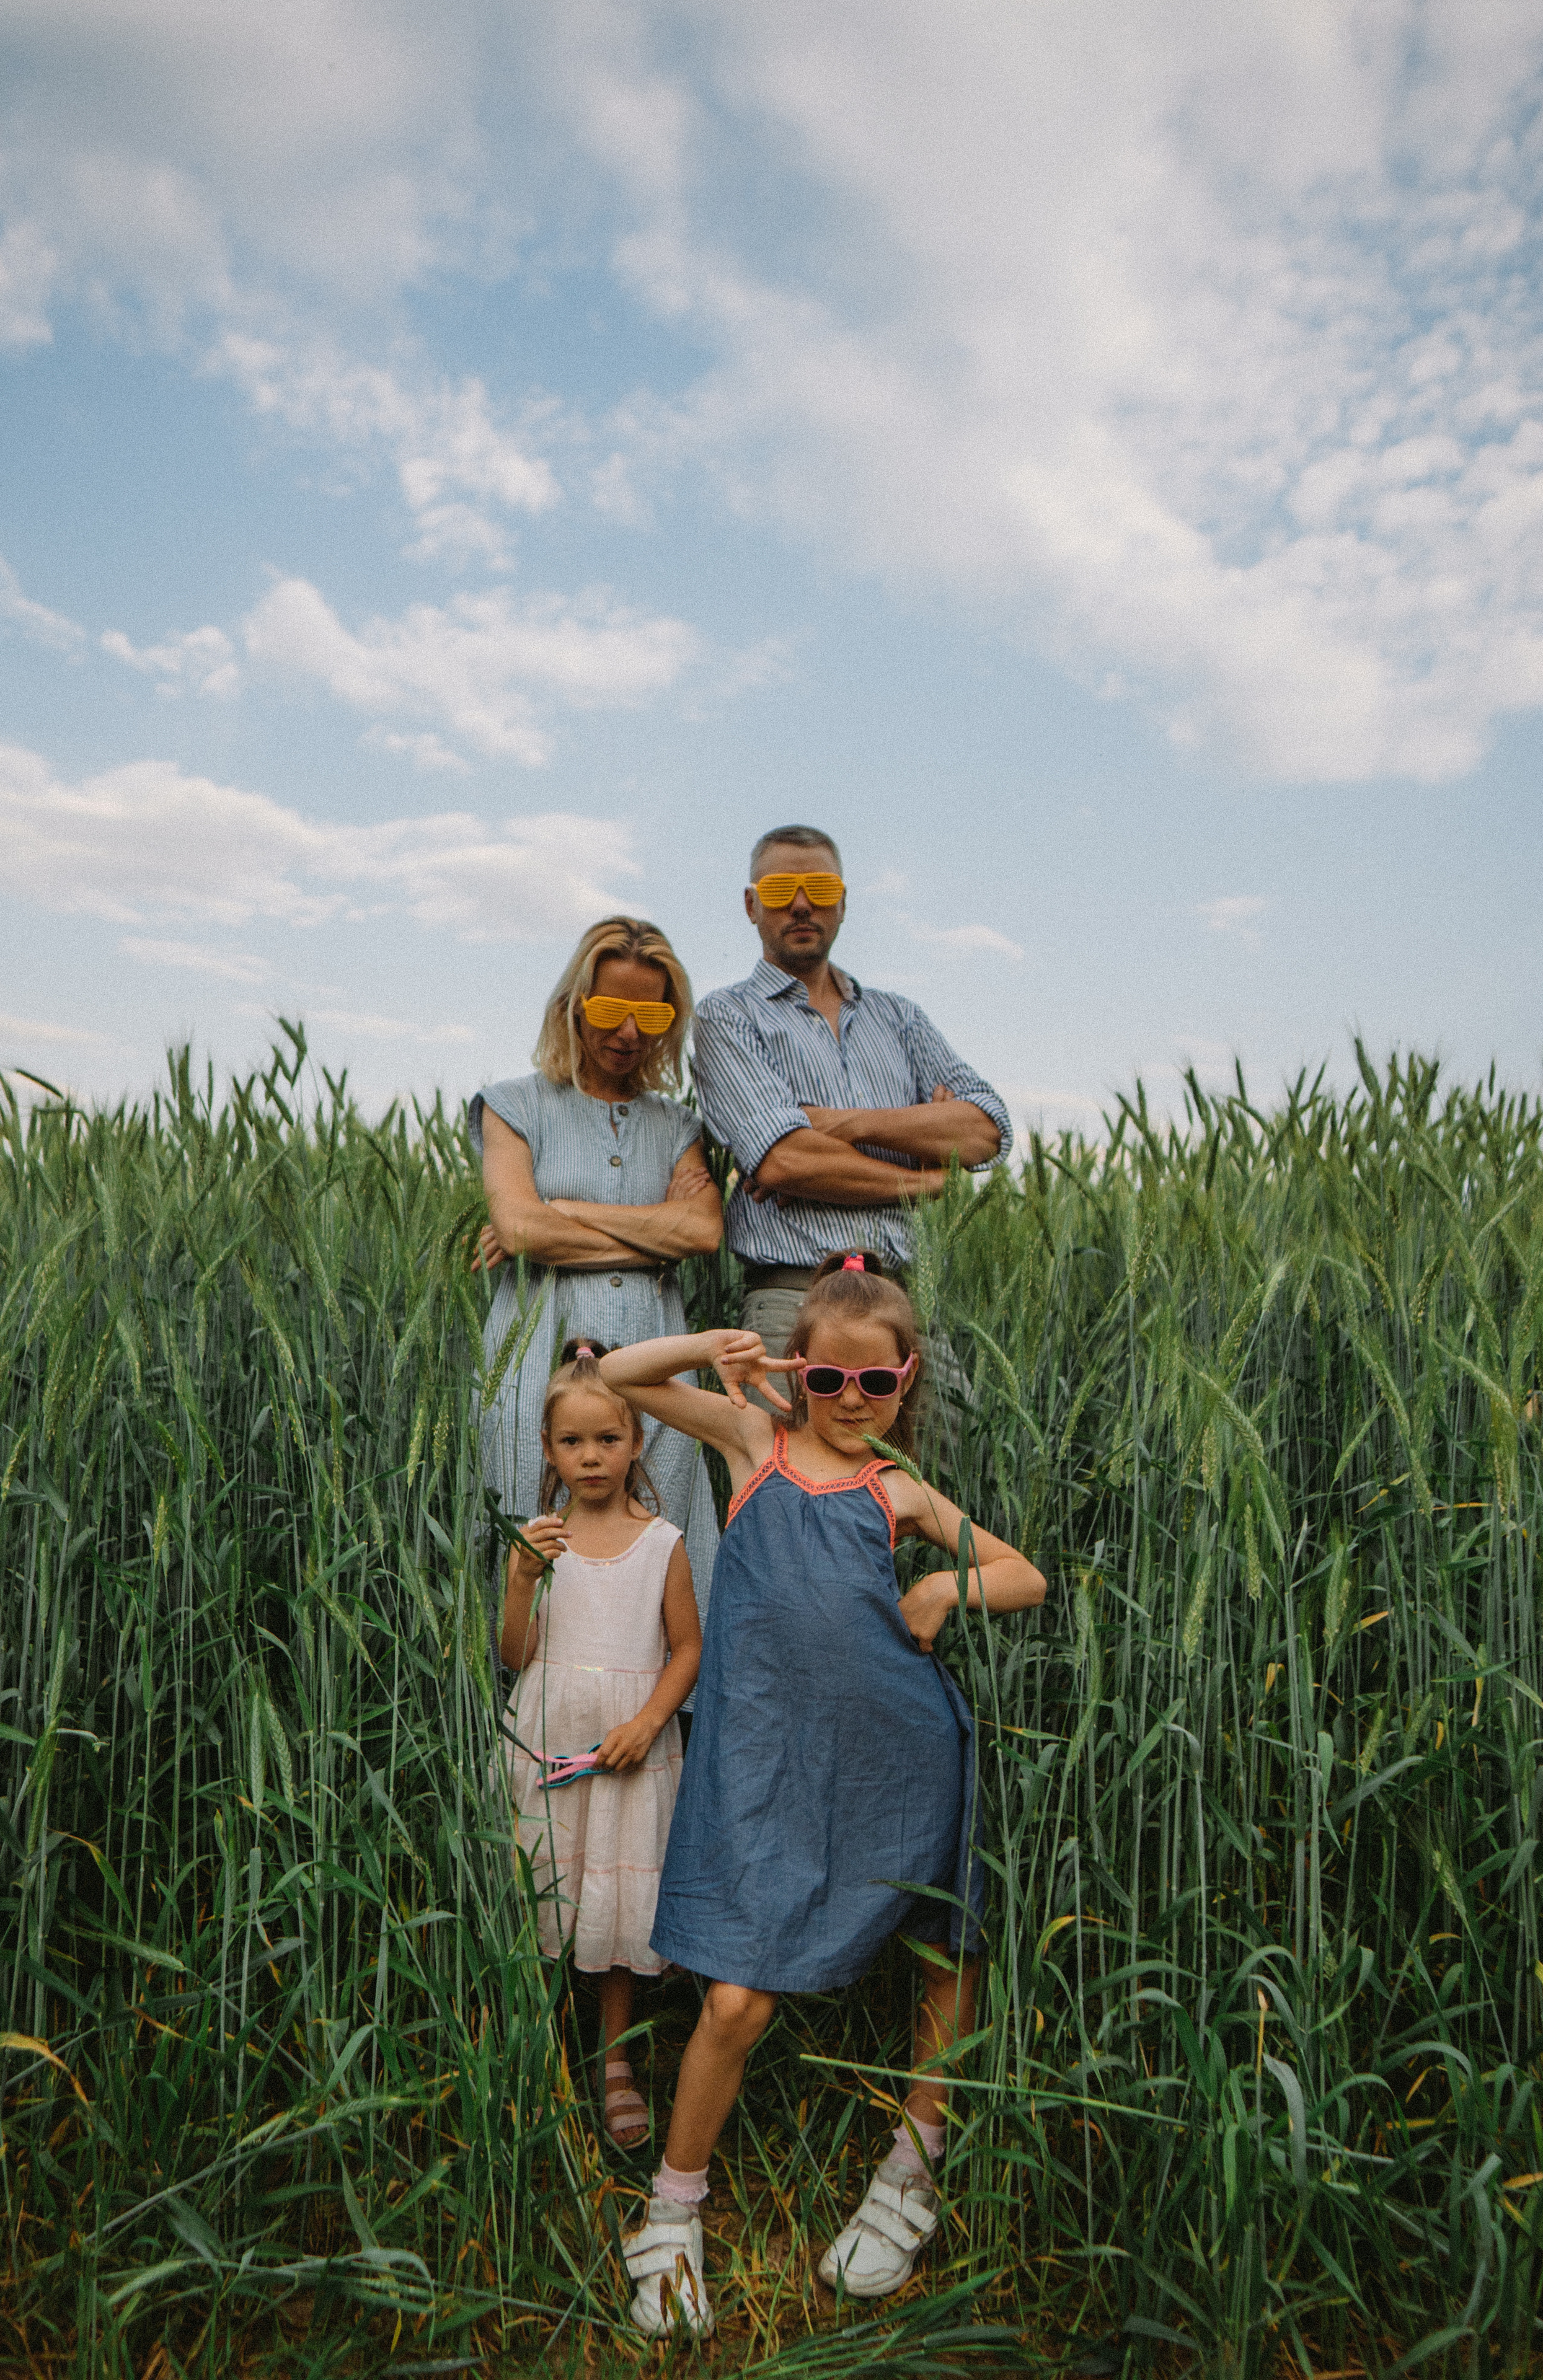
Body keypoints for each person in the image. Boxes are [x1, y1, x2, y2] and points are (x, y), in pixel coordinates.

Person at [598, 1253, 1046, 2337]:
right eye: (828, 1379)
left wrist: (941, 1585)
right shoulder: (754, 1443)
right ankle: (673, 2211)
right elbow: (620, 1376)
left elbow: (1024, 1575)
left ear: (906, 1378)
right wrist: (713, 1348)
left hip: (898, 1759)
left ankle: (910, 2171)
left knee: (941, 1951)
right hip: (766, 1762)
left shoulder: (900, 1490)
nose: (851, 1400)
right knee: (736, 1998)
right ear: (795, 1371)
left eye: (875, 1382)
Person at [690, 827, 1012, 1392]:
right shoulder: (728, 1016)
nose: (801, 904)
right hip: (793, 1302)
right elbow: (786, 1161)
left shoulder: (900, 1017)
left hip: (901, 1305)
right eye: (780, 890)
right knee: (792, 1455)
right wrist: (926, 1176)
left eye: (819, 888)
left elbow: (987, 1130)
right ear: (751, 905)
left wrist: (839, 1123)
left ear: (842, 902)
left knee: (941, 1452)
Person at [469, 917, 723, 1626]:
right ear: (573, 1005)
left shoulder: (677, 1126)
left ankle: (663, 1696)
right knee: (532, 1541)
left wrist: (567, 1211)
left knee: (667, 1548)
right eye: (611, 1009)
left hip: (659, 1366)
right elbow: (519, 1229)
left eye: (652, 1015)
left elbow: (704, 1231)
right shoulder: (514, 1106)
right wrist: (655, 1238)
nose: (630, 1032)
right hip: (532, 1359)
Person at [498, 1341, 702, 2151]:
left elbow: (687, 1649)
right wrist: (519, 1582)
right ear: (548, 1450)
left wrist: (649, 1722)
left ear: (637, 1442)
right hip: (547, 1744)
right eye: (573, 1441)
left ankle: (615, 2059)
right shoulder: (537, 1545)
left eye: (608, 1439)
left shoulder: (662, 1543)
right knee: (544, 1891)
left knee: (617, 1910)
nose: (591, 1456)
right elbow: (515, 1654)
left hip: (628, 1757)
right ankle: (535, 2045)